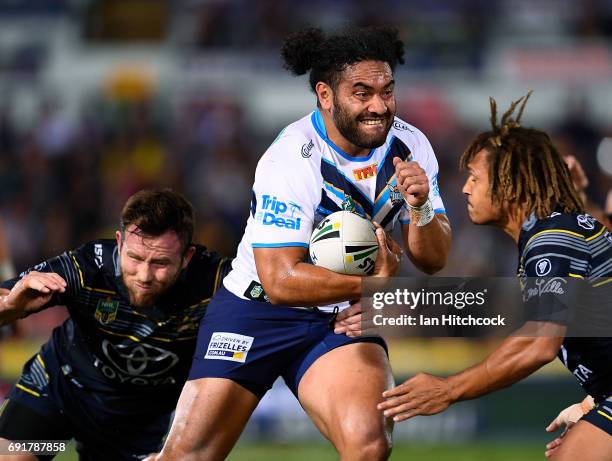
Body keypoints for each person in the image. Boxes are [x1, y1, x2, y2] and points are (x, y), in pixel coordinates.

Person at [150, 26, 451, 461]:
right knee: (186, 458)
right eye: (361, 93)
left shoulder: (412, 145)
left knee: (368, 446)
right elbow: (279, 280)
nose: (378, 106)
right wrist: (373, 288)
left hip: (336, 320)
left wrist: (421, 208)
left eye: (387, 91)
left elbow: (434, 260)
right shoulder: (292, 158)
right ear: (326, 96)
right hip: (256, 311)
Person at [377, 92, 612, 460]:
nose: (465, 188)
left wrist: (448, 389)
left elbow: (538, 344)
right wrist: (592, 406)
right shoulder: (552, 235)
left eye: (475, 177)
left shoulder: (551, 241)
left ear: (509, 181)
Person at [0, 189, 234, 461]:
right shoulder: (86, 267)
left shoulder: (219, 281)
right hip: (58, 392)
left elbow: (275, 302)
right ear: (120, 242)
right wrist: (11, 305)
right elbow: (5, 300)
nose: (144, 275)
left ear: (187, 257)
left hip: (135, 424)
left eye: (160, 263)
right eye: (135, 258)